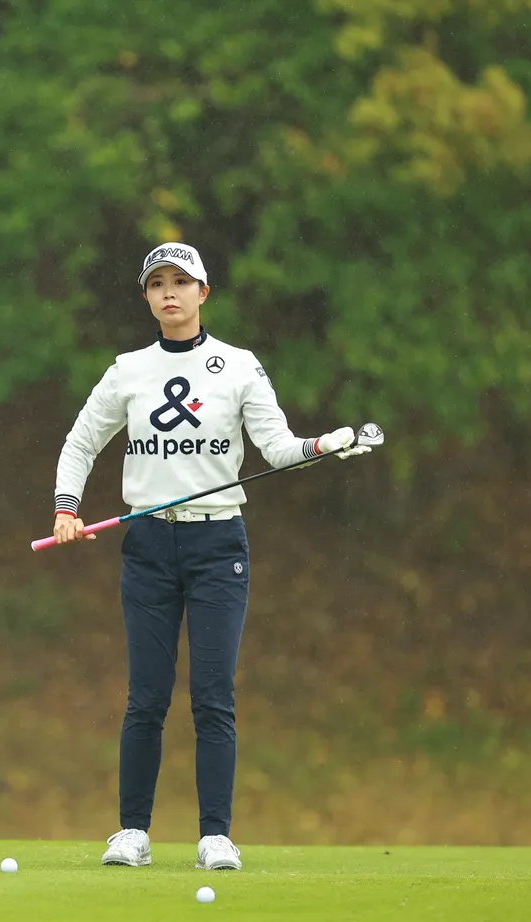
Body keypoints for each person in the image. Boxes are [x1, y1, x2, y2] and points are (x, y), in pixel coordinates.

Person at [51, 242, 358, 870]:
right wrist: (66, 508)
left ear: (203, 293)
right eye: (157, 284)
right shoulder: (128, 370)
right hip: (148, 545)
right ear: (146, 296)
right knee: (147, 695)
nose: (169, 292)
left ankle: (215, 835)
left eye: (181, 282)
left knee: (213, 695)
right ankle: (132, 832)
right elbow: (81, 442)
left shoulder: (239, 366)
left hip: (218, 545)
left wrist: (322, 446)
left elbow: (277, 449)